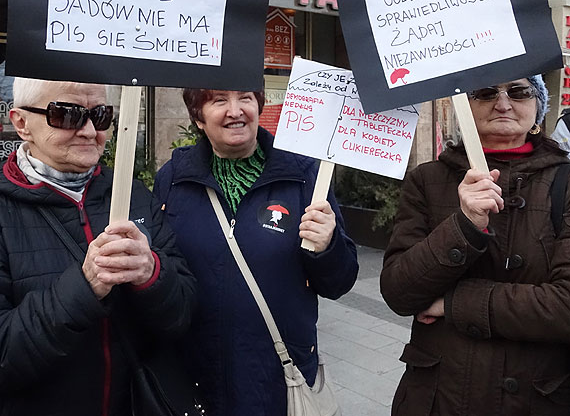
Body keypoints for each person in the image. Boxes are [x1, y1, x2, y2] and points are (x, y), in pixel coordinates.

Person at [153, 88, 359, 416]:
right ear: (197, 117)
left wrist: (327, 246)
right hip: (195, 382)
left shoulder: (304, 175)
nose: (236, 110)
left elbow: (340, 281)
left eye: (245, 98)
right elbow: (162, 274)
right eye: (219, 100)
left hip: (277, 381)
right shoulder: (173, 179)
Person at [0, 78, 197, 416]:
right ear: (21, 123)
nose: (90, 131)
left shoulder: (134, 194)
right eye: (67, 115)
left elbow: (181, 315)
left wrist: (151, 275)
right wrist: (84, 287)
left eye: (101, 115)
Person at [380, 75, 570, 416]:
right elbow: (398, 291)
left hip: (539, 398)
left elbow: (565, 306)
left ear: (538, 105)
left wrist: (451, 303)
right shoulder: (427, 179)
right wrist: (464, 225)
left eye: (519, 90)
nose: (503, 102)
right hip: (440, 400)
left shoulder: (566, 182)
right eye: (485, 92)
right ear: (465, 106)